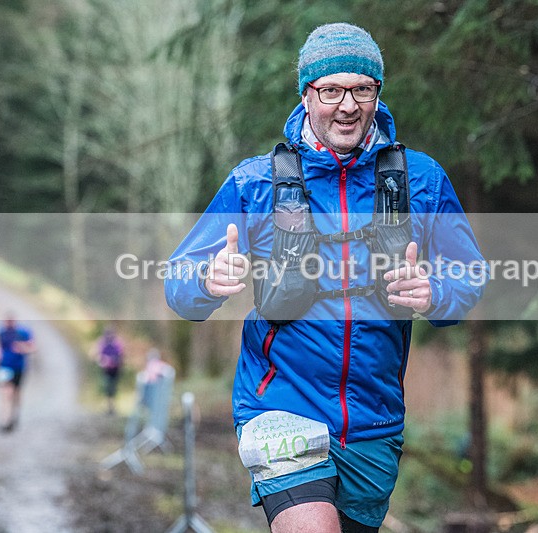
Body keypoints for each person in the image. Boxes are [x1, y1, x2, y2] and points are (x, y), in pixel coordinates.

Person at [165, 23, 485, 532]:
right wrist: (207, 279)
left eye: (362, 88)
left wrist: (437, 292)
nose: (348, 105)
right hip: (280, 404)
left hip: (374, 420)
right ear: (306, 94)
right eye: (331, 90)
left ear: (378, 93)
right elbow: (177, 283)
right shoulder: (255, 182)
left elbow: (470, 276)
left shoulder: (420, 179)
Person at [0, 313, 35, 432]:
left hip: (19, 368)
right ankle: (5, 421)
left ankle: (14, 415)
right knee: (6, 393)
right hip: (4, 368)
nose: (8, 324)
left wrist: (23, 348)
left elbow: (33, 348)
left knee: (16, 394)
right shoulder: (0, 332)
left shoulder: (23, 333)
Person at [96, 327, 125, 414]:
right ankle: (108, 406)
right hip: (106, 370)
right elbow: (99, 357)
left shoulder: (117, 344)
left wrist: (114, 360)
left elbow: (121, 356)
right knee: (107, 387)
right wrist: (104, 361)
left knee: (113, 388)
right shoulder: (102, 344)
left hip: (115, 369)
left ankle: (112, 406)